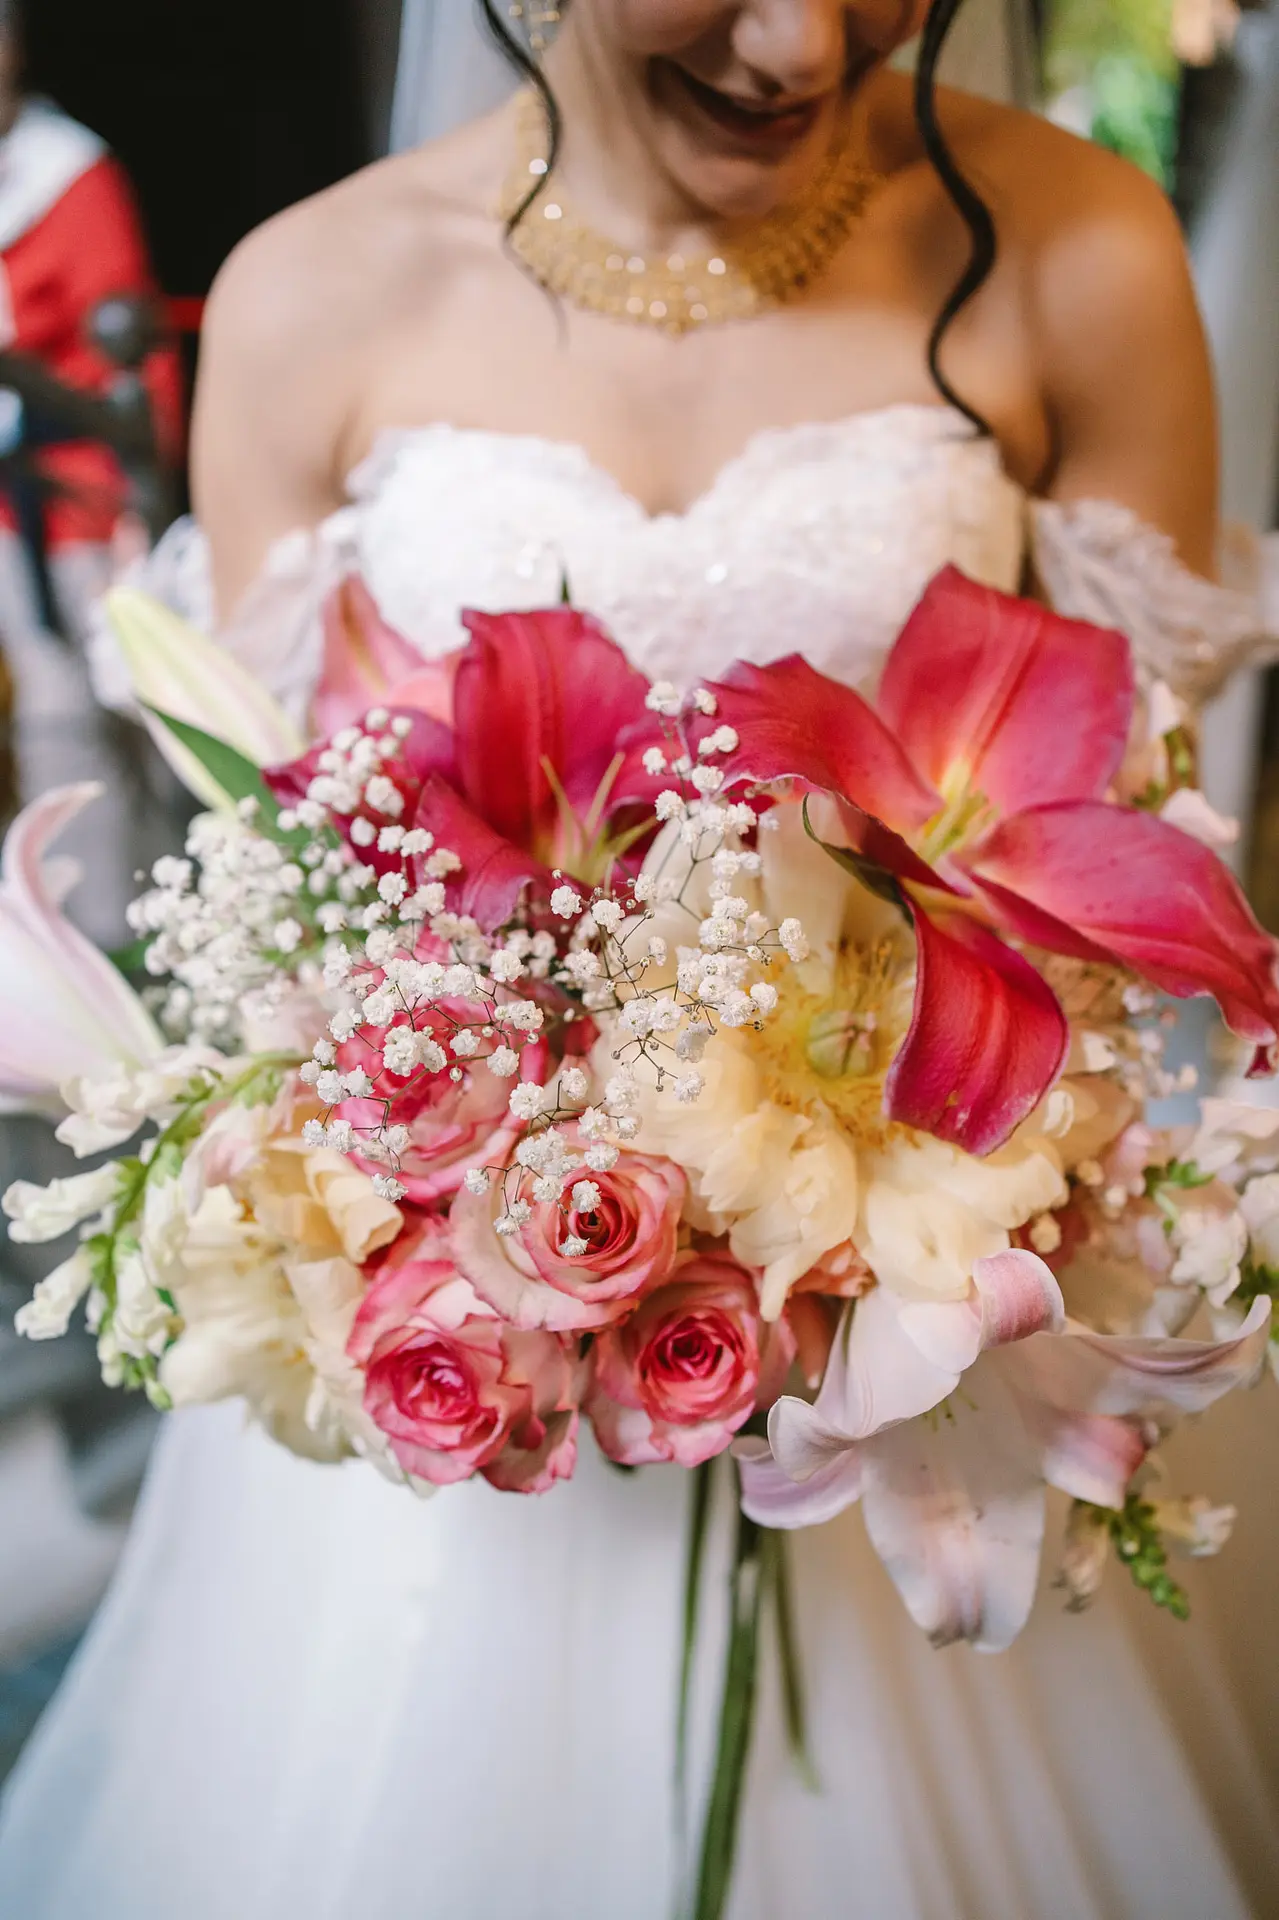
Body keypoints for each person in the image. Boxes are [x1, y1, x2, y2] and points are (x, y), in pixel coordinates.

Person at [2, 3, 1277, 1915]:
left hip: (922, 1342)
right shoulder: (309, 296)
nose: (805, 38)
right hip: (475, 1411)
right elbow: (304, 911)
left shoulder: (1074, 254)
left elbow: (1126, 864)